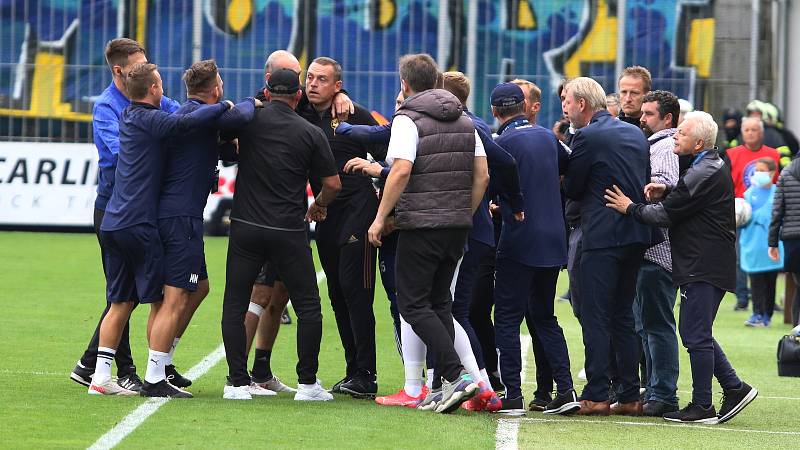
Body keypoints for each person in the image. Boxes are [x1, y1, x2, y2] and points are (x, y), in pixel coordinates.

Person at [88, 63, 233, 397]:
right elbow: (186, 120)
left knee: (121, 301)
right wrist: (223, 107)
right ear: (153, 89)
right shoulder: (153, 120)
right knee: (167, 298)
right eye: (160, 85)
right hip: (140, 222)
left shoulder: (128, 116)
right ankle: (156, 376)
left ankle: (100, 375)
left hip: (113, 219)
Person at [605, 110, 758, 424]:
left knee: (695, 334)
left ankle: (704, 404)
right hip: (702, 262)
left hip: (704, 264)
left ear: (699, 142)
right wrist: (668, 191)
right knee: (696, 332)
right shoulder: (706, 165)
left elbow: (665, 215)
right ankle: (733, 387)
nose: (675, 136)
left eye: (682, 133)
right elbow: (686, 199)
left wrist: (629, 207)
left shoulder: (704, 170)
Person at [367, 53, 489, 414]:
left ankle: (456, 376)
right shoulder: (466, 120)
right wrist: (462, 212)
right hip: (456, 226)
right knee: (438, 304)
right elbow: (482, 175)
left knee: (411, 303)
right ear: (436, 80)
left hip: (422, 225)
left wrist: (379, 217)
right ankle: (450, 384)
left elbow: (401, 170)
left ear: (404, 83)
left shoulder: (408, 119)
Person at [218, 68, 341, 401]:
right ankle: (307, 384)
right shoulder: (310, 131)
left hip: (246, 226)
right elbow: (332, 184)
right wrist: (319, 206)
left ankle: (237, 382)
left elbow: (224, 137)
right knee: (308, 306)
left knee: (235, 301)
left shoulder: (248, 122)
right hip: (288, 229)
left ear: (267, 92)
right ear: (298, 95)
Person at [70, 38, 180, 392]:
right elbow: (124, 155)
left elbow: (181, 112)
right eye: (138, 66)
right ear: (119, 71)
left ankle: (92, 365)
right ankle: (130, 369)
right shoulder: (106, 107)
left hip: (136, 208)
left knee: (124, 295)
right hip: (114, 209)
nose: (147, 71)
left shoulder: (153, 97)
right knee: (128, 295)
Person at [157, 60, 267, 393]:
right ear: (215, 89)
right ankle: (156, 372)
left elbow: (226, 147)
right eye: (221, 84)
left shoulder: (199, 119)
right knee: (173, 297)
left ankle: (163, 363)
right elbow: (239, 116)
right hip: (179, 216)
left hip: (185, 215)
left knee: (198, 288)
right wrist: (254, 102)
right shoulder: (198, 115)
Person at [562, 76, 654, 416]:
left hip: (601, 237)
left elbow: (573, 186)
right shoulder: (634, 133)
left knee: (596, 316)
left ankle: (598, 393)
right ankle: (630, 394)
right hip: (634, 234)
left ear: (583, 104)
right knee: (622, 317)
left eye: (568, 101)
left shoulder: (587, 136)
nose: (566, 108)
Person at [490, 82, 579, 416]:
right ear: (524, 106)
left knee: (508, 319)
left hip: (519, 239)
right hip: (553, 239)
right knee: (545, 317)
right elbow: (570, 169)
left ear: (496, 111)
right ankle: (566, 389)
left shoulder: (503, 141)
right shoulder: (547, 137)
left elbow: (495, 182)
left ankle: (513, 394)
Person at [299, 56, 384, 399]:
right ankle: (353, 370)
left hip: (358, 211)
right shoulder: (300, 111)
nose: (313, 83)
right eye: (311, 78)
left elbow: (390, 154)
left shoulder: (355, 114)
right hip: (325, 215)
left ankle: (367, 373)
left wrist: (373, 169)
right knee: (336, 293)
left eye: (323, 80)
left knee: (356, 291)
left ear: (337, 86)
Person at [635, 90, 681, 417]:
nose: (642, 118)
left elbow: (663, 191)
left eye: (649, 113)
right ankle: (655, 389)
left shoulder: (664, 146)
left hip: (658, 251)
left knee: (657, 325)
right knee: (649, 325)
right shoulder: (658, 144)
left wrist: (632, 201)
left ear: (667, 119)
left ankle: (663, 393)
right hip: (657, 251)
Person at [727, 117, 780, 310]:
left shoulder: (773, 154)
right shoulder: (732, 154)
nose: (750, 133)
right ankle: (742, 298)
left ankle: (767, 301)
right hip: (742, 213)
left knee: (767, 256)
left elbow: (778, 182)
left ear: (761, 133)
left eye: (754, 130)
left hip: (767, 215)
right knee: (740, 256)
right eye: (747, 130)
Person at [740, 158, 783, 327]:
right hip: (752, 245)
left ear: (772, 173)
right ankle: (756, 313)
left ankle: (767, 315)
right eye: (756, 169)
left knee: (770, 282)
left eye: (762, 170)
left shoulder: (778, 192)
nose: (758, 173)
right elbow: (742, 218)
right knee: (755, 281)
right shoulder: (749, 193)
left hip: (771, 246)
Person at [769, 157, 800, 327]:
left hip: (792, 240)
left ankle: (797, 333)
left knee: (798, 287)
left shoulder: (787, 172)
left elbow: (777, 211)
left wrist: (772, 242)